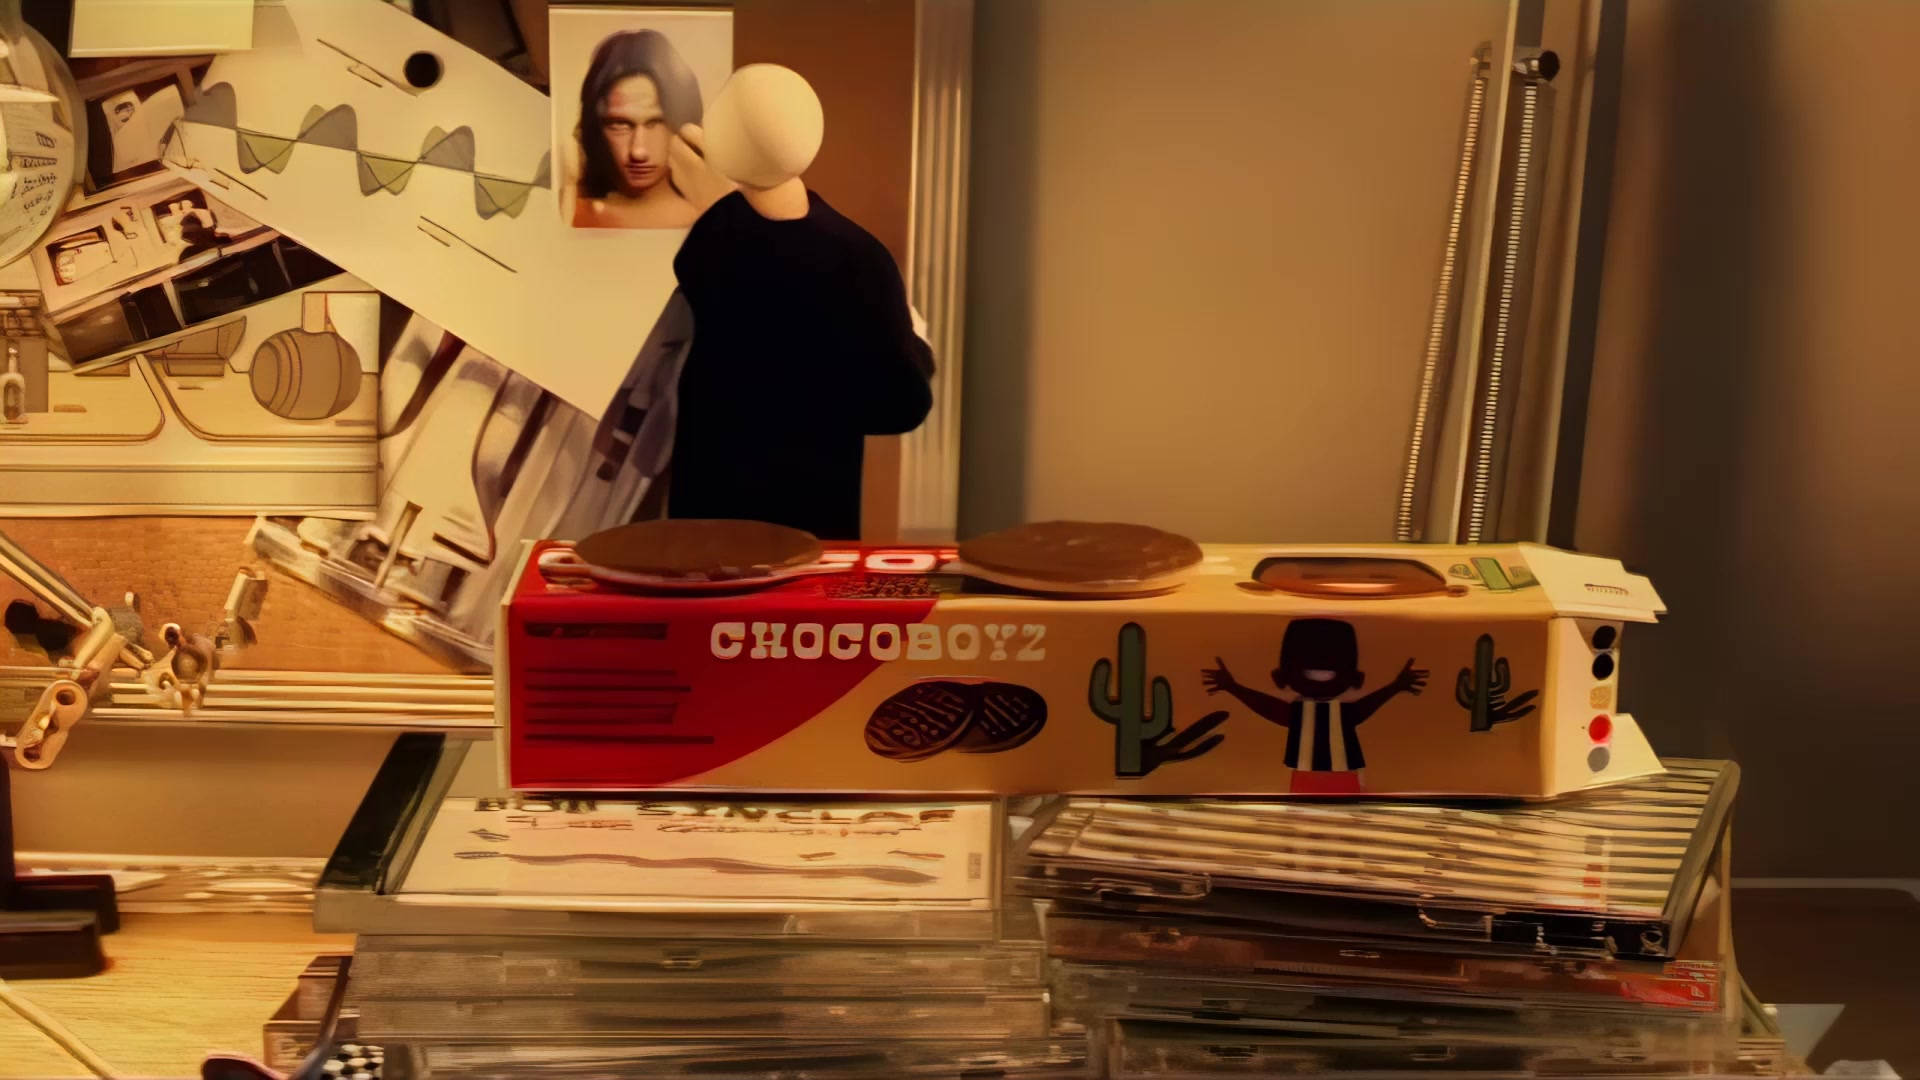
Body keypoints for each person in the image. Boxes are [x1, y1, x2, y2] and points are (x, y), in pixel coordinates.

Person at [666, 65, 934, 540]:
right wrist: (914, 345)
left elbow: (899, 400)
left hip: (720, 520)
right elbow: (901, 401)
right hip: (805, 521)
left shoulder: (714, 249)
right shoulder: (857, 257)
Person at [1201, 619, 1429, 795]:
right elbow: (1271, 708)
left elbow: (1271, 709)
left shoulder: (1330, 712)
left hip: (1338, 775)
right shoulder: (1309, 712)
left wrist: (1233, 688)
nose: (1320, 677)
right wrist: (1233, 688)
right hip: (1311, 776)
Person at [571, 29, 705, 230]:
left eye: (655, 123)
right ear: (595, 128)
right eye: (619, 124)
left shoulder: (713, 219)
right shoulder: (574, 213)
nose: (638, 152)